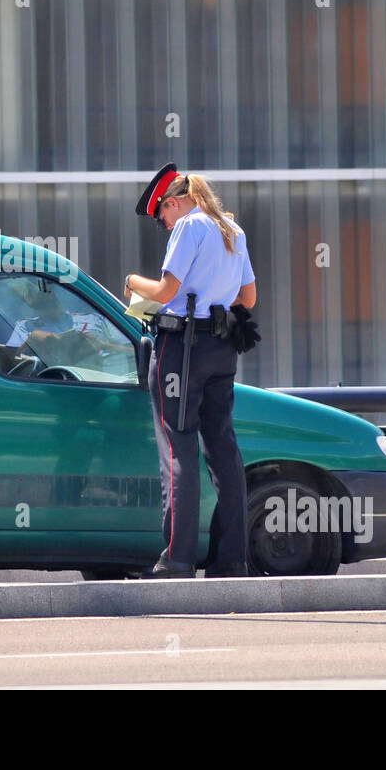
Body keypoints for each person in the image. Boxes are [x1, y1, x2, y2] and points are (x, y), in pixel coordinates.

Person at [124, 163, 258, 579]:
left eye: (161, 214)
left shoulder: (189, 227)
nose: (163, 224)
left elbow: (165, 291)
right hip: (222, 346)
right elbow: (247, 298)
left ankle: (177, 559)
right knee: (223, 451)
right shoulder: (232, 231)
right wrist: (212, 292)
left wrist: (132, 282)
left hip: (182, 348)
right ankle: (232, 559)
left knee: (177, 450)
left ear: (175, 201)